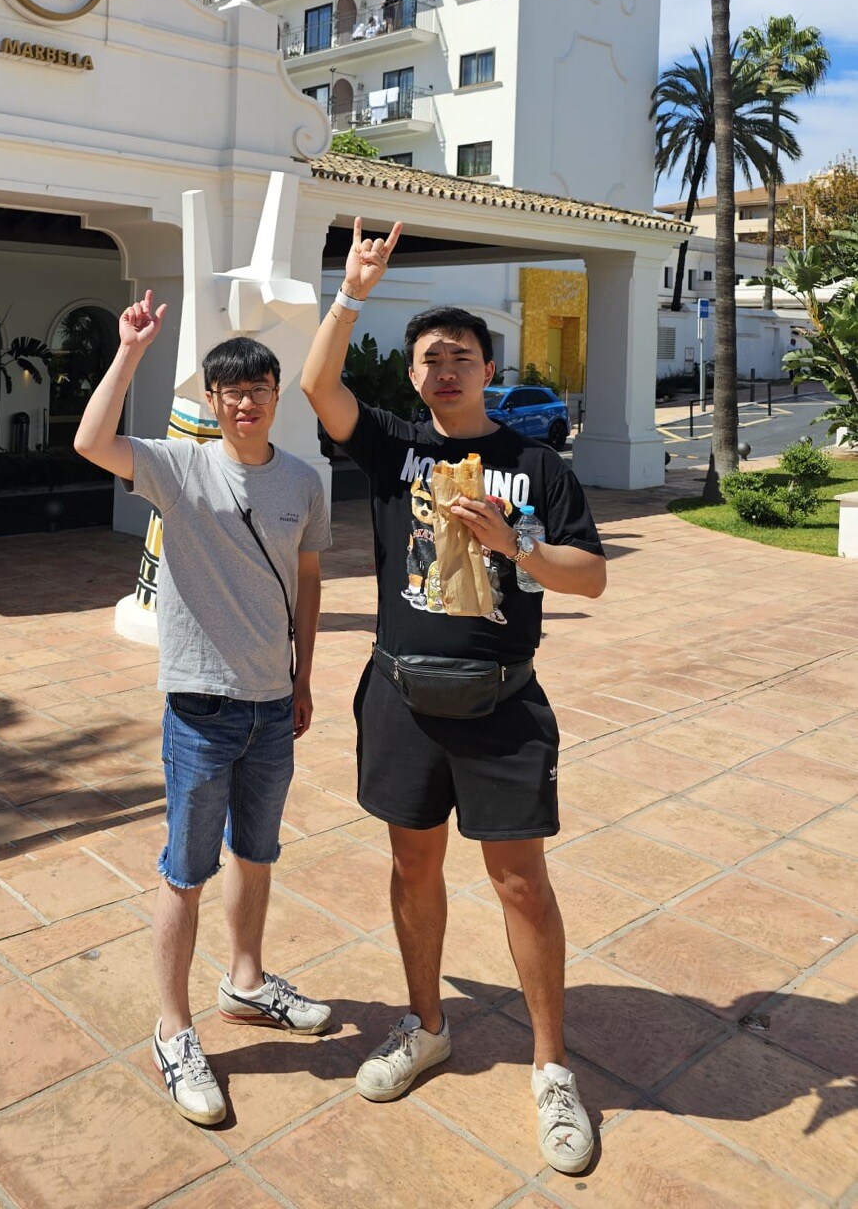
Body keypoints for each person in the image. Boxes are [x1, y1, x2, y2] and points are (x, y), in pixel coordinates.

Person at [301, 221, 606, 1176]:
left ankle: (552, 1067)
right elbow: (317, 388)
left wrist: (515, 544)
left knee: (520, 881)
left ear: (486, 369)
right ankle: (426, 1024)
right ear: (413, 374)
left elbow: (590, 578)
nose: (443, 372)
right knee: (412, 867)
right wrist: (352, 292)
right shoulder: (392, 447)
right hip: (399, 695)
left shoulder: (538, 463)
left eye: (460, 359)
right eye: (429, 359)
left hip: (503, 700)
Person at [75, 297, 333, 1126]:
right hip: (199, 707)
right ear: (216, 403)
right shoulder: (180, 469)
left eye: (259, 387)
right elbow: (90, 442)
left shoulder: (304, 480)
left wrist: (301, 679)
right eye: (231, 392)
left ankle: (247, 983)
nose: (246, 402)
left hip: (270, 704)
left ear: (276, 393)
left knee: (256, 853)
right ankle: (174, 1029)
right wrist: (129, 353)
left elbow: (308, 581)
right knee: (185, 872)